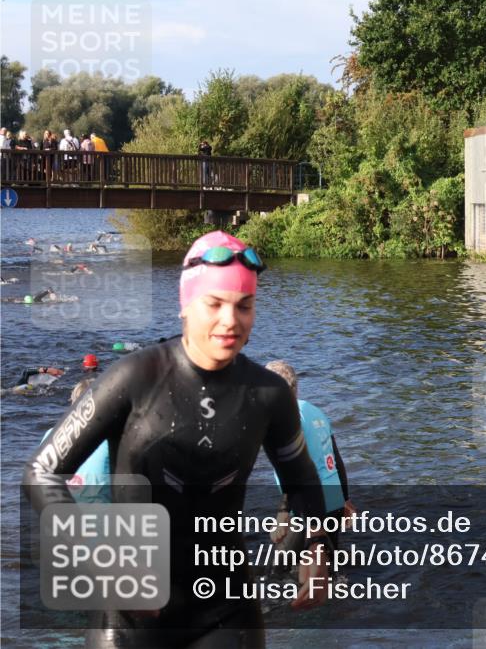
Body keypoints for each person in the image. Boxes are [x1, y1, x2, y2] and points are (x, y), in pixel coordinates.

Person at [24, 230, 329, 648]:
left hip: (226, 612)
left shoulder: (268, 394)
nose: (230, 320)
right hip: (131, 617)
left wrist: (316, 550)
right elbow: (41, 474)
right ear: (186, 306)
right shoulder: (133, 378)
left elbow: (302, 483)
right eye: (215, 304)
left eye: (244, 305)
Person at [265, 360, 354, 568]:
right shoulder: (315, 411)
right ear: (296, 386)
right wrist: (345, 499)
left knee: (277, 569)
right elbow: (337, 459)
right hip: (333, 498)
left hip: (307, 505)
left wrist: (283, 514)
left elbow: (294, 469)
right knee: (328, 569)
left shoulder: (285, 420)